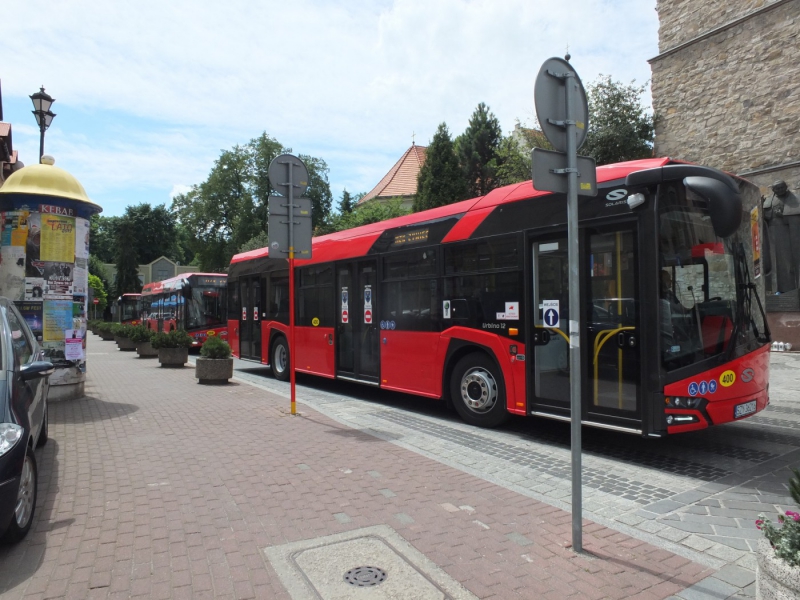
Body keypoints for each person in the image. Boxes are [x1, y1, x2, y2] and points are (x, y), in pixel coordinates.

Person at [763, 179, 800, 293]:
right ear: (773, 190)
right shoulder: (770, 200)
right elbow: (765, 218)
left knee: (787, 261)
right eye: (776, 188)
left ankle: (791, 288)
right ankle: (775, 289)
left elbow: (795, 219)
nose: (779, 190)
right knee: (773, 262)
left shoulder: (794, 200)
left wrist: (782, 215)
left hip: (786, 234)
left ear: (786, 187)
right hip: (771, 235)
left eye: (781, 187)